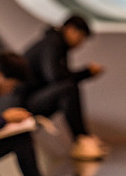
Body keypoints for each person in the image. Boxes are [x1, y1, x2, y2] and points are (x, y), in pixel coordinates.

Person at [19, 15, 107, 161]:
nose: (81, 43)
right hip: (24, 103)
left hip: (31, 97)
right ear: (70, 29)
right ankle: (81, 139)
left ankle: (83, 138)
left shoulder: (56, 44)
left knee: (68, 88)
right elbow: (55, 77)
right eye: (81, 36)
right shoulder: (53, 44)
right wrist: (86, 73)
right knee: (68, 89)